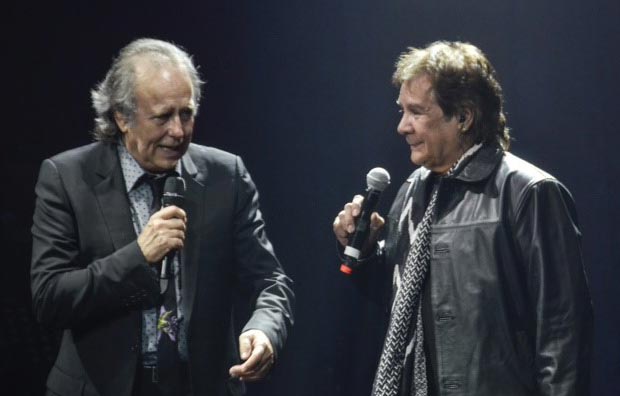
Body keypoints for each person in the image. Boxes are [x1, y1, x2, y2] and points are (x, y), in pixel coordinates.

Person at [31, 38, 294, 396]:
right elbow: (50, 299)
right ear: (122, 117)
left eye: (186, 113)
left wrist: (264, 329)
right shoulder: (67, 177)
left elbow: (269, 279)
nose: (178, 131)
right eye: (162, 117)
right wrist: (138, 257)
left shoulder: (225, 175)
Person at [333, 41, 592, 396]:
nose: (402, 127)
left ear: (464, 117)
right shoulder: (412, 192)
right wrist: (361, 253)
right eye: (402, 111)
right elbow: (403, 301)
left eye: (417, 112)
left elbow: (563, 331)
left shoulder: (529, 192)